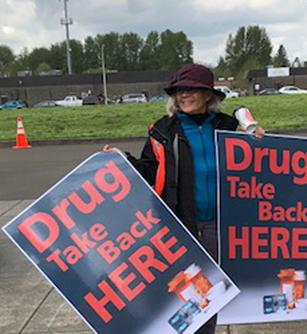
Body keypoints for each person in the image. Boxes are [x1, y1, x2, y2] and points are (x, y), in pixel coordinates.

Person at [104, 63, 264, 334]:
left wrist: (260, 140)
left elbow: (257, 167)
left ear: (207, 95)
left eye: (191, 90)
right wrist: (124, 160)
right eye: (179, 91)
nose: (184, 96)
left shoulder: (229, 127)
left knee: (210, 294)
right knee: (184, 297)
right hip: (181, 227)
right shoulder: (162, 131)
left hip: (218, 226)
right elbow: (150, 171)